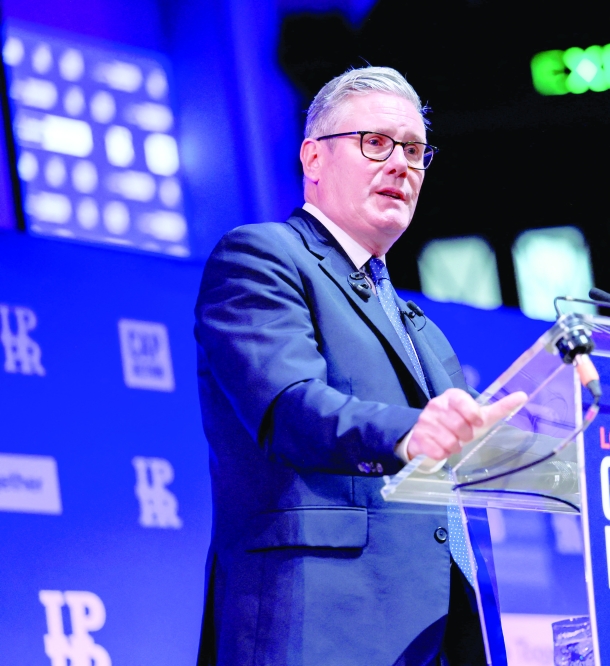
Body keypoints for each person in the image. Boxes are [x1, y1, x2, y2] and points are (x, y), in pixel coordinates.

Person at [194, 66, 523, 666]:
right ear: (313, 159)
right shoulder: (262, 258)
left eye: (416, 150)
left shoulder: (419, 326)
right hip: (321, 627)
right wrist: (408, 433)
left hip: (442, 639)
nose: (401, 164)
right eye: (376, 143)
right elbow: (292, 408)